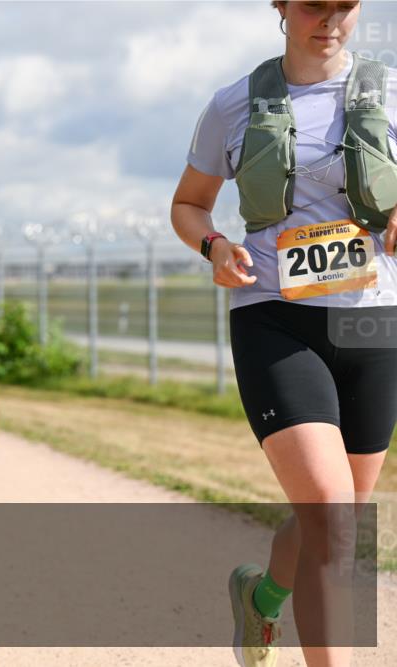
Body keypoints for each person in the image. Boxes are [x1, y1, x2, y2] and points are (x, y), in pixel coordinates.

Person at [172, 2, 397, 665]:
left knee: (338, 520)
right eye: (311, 3)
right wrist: (212, 244)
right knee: (329, 513)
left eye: (344, 5)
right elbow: (189, 203)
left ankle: (262, 596)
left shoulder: (388, 93)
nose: (328, 18)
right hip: (272, 314)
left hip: (371, 320)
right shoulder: (232, 105)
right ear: (278, 4)